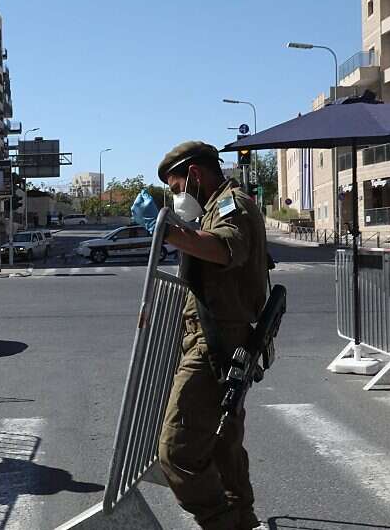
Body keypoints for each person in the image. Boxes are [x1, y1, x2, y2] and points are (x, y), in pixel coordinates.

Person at [155, 141, 269, 530]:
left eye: (176, 188)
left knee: (176, 451)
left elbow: (224, 249)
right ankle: (242, 516)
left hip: (216, 343)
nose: (176, 196)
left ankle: (224, 523)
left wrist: (167, 230)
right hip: (221, 340)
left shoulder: (230, 204)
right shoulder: (214, 208)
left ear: (195, 175)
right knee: (223, 441)